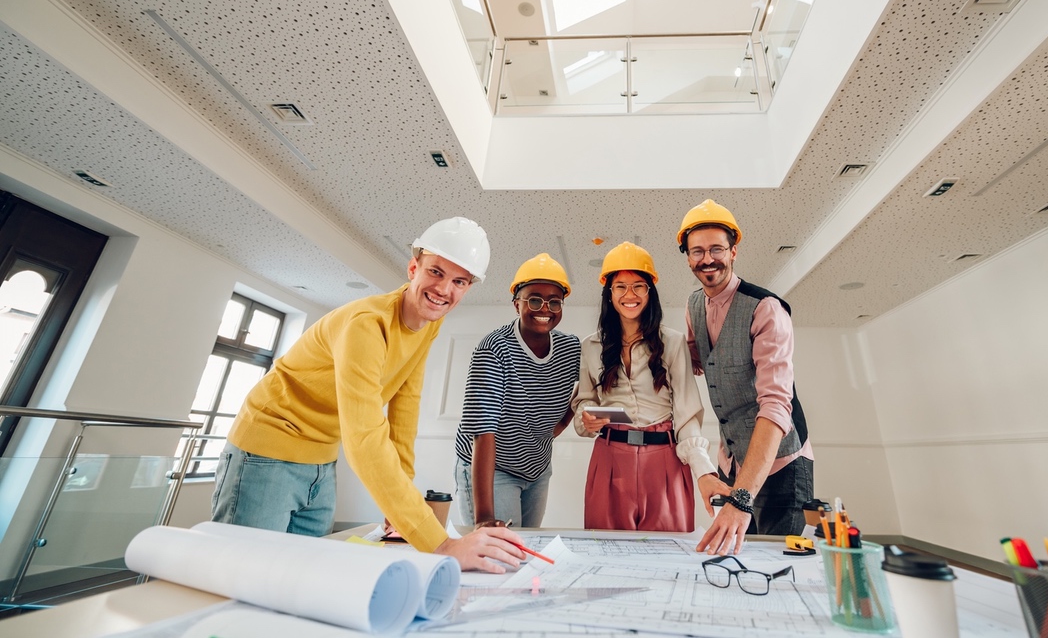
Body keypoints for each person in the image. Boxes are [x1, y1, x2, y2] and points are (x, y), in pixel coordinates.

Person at [213, 217, 524, 572]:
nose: (443, 289)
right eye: (436, 272)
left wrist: (400, 505)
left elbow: (405, 407)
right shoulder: (367, 324)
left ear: (467, 288)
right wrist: (439, 544)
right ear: (413, 268)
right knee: (241, 574)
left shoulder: (429, 325)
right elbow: (364, 439)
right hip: (265, 452)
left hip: (321, 461)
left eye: (459, 281)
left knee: (298, 576)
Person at [678, 200, 814, 555]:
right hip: (731, 460)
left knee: (779, 561)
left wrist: (741, 498)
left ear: (733, 251)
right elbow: (693, 363)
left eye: (717, 249)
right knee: (735, 557)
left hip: (782, 464)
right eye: (697, 251)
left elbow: (776, 405)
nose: (708, 259)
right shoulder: (693, 306)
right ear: (688, 258)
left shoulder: (766, 308)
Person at [573, 242, 720, 531]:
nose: (630, 295)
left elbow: (687, 415)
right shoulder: (590, 346)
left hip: (665, 459)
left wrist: (704, 470)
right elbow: (584, 402)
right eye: (620, 287)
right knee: (606, 548)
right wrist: (586, 419)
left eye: (638, 286)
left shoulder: (673, 342)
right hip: (609, 457)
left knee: (668, 550)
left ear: (649, 291)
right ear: (609, 293)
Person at [454, 253, 581, 529]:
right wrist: (484, 518)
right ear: (516, 304)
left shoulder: (570, 349)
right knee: (499, 545)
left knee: (527, 543)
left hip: (537, 468)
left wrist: (561, 423)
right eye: (534, 300)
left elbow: (592, 383)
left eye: (555, 302)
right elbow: (482, 431)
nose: (545, 308)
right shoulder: (494, 349)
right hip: (493, 467)